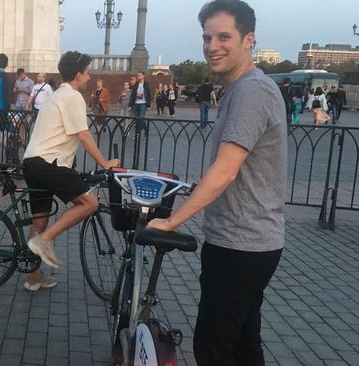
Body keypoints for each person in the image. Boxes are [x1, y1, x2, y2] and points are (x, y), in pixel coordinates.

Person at [146, 2, 286, 365]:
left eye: (224, 36)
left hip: (240, 245)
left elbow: (225, 171)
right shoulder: (243, 88)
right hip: (254, 242)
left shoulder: (251, 91)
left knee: (213, 348)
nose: (212, 45)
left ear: (249, 40)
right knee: (243, 344)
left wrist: (172, 221)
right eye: (207, 37)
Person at [22, 51, 119, 289]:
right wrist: (105, 163)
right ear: (78, 74)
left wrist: (72, 168)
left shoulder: (56, 96)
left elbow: (59, 136)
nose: (89, 78)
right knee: (90, 203)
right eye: (87, 73)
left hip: (33, 162)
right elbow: (83, 136)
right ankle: (45, 241)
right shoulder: (72, 97)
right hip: (48, 163)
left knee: (39, 221)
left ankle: (34, 277)